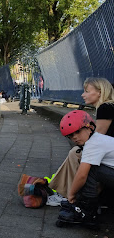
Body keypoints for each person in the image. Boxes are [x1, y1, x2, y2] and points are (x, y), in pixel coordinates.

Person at [48, 77, 114, 206]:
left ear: (99, 92)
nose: (83, 95)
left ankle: (68, 194)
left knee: (76, 153)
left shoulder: (105, 108)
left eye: (87, 91)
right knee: (77, 152)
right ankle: (62, 190)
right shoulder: (108, 106)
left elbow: (95, 139)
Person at [55, 110, 114, 225]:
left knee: (91, 170)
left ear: (90, 127)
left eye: (77, 132)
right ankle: (85, 204)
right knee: (93, 167)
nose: (75, 137)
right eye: (71, 135)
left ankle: (87, 212)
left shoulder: (93, 144)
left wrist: (71, 195)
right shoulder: (98, 139)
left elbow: (82, 175)